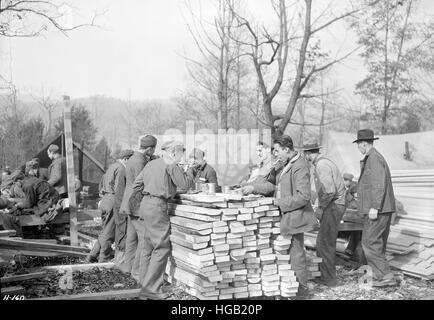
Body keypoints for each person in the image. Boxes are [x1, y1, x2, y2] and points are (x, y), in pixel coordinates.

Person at [239, 135, 317, 299]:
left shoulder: (300, 166)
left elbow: (303, 196)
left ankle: (302, 293)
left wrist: (278, 202)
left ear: (287, 149)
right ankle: (290, 289)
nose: (276, 154)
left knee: (296, 255)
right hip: (287, 215)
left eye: (278, 151)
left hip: (296, 216)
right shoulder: (287, 164)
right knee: (288, 254)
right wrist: (253, 187)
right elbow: (272, 185)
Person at [133, 140, 194, 300]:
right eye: (181, 153)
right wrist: (190, 170)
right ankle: (151, 290)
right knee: (161, 248)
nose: (181, 157)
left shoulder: (151, 164)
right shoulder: (171, 164)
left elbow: (137, 184)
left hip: (146, 204)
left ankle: (144, 283)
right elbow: (186, 185)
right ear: (174, 152)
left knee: (148, 247)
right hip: (158, 206)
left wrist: (154, 189)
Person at [354, 129, 397, 287]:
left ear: (363, 144)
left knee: (370, 242)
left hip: (378, 209)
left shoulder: (374, 158)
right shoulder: (373, 157)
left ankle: (385, 276)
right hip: (382, 209)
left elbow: (379, 184)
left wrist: (374, 207)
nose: (359, 148)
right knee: (376, 242)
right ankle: (379, 275)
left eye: (359, 145)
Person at [302, 139, 346, 287]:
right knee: (325, 241)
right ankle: (327, 275)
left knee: (325, 242)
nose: (305, 157)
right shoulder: (323, 163)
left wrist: (320, 208)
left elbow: (329, 191)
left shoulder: (321, 165)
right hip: (334, 204)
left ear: (308, 153)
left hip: (334, 205)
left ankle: (328, 278)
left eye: (306, 154)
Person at [117, 135, 158, 278]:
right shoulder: (141, 161)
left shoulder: (133, 158)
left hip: (128, 202)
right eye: (153, 149)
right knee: (144, 238)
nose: (153, 152)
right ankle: (137, 272)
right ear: (148, 149)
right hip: (136, 203)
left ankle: (127, 267)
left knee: (132, 237)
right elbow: (143, 183)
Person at [86, 149, 134, 263]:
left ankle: (92, 255)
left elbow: (101, 184)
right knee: (109, 232)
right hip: (113, 200)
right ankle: (104, 258)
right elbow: (119, 189)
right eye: (130, 161)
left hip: (105, 199)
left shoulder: (112, 167)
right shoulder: (122, 169)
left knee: (105, 230)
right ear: (126, 159)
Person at [0, 161, 59, 237]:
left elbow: (29, 203)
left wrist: (17, 206)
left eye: (15, 183)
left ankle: (33, 232)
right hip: (51, 196)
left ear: (18, 180)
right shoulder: (29, 180)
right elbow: (30, 200)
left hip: (49, 199)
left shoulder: (27, 185)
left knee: (32, 211)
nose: (16, 185)